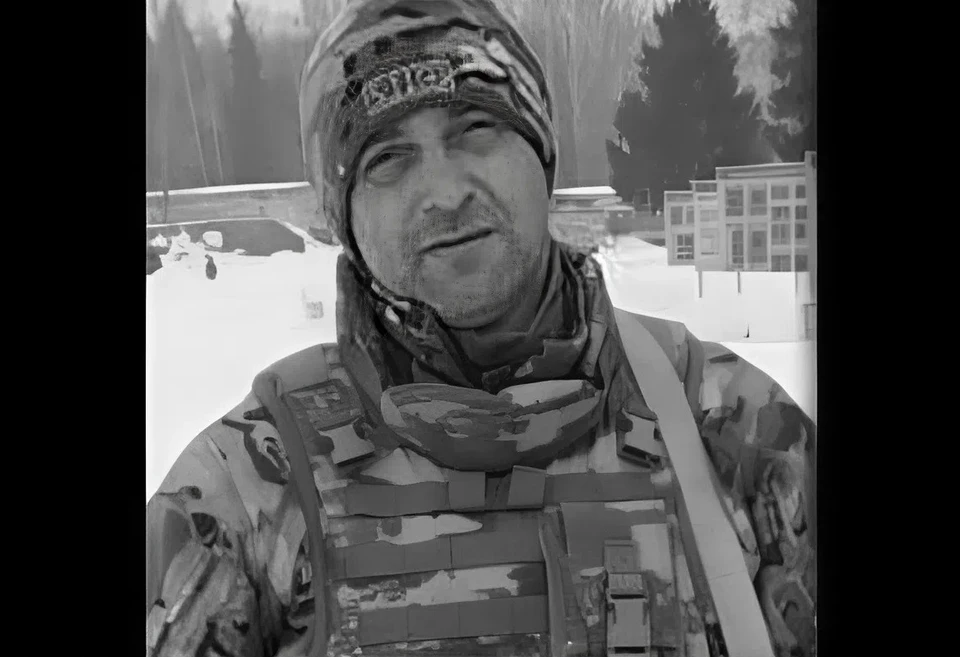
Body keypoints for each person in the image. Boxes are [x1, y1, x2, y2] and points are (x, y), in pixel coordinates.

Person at [145, 1, 816, 656]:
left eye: (475, 129)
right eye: (387, 159)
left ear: (541, 152)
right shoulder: (250, 483)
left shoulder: (732, 428)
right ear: (344, 219)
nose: (445, 192)